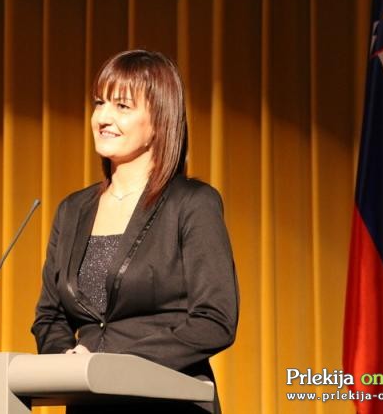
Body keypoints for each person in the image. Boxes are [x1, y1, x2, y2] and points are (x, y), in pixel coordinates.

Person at [31, 49, 239, 414]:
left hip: (168, 399)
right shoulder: (72, 210)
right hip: (91, 402)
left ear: (159, 120)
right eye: (100, 103)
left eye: (122, 106)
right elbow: (49, 317)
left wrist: (112, 364)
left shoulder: (192, 203)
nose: (103, 118)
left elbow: (214, 320)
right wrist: (67, 362)